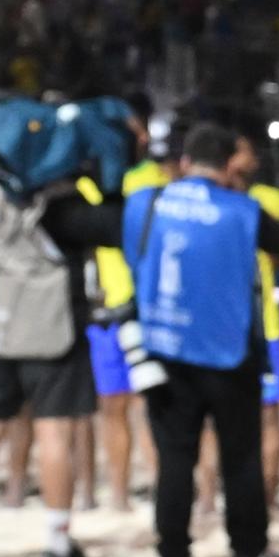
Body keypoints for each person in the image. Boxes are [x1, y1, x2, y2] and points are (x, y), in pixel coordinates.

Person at [122, 126, 279, 557]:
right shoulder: (242, 208)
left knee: (175, 457)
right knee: (240, 455)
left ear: (184, 162)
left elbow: (132, 255)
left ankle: (174, 556)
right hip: (229, 351)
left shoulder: (147, 202)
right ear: (229, 165)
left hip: (165, 347)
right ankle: (247, 551)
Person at [0, 119, 103, 557]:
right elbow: (91, 231)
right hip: (48, 324)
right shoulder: (55, 190)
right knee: (53, 431)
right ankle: (56, 542)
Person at [82, 123, 172, 513]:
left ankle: (161, 489)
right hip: (104, 314)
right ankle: (118, 495)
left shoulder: (154, 180)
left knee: (150, 406)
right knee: (112, 407)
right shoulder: (84, 188)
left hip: (147, 312)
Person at [228, 136, 279, 505]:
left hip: (262, 326)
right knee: (215, 418)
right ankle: (211, 496)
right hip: (217, 328)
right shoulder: (203, 200)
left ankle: (268, 497)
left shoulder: (272, 201)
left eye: (242, 150)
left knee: (268, 414)